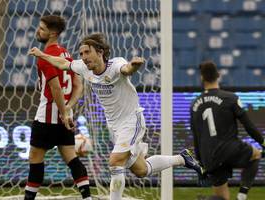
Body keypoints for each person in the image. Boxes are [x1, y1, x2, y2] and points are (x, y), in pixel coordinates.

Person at [28, 33, 204, 200]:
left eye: (87, 52)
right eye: (81, 53)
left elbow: (126, 69)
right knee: (141, 170)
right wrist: (42, 54)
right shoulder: (84, 67)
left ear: (100, 52)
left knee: (114, 161)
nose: (83, 56)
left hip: (131, 120)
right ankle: (182, 158)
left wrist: (134, 66)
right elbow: (62, 63)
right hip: (114, 126)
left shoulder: (115, 65)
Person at [24, 15, 92, 200]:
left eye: (42, 28)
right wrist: (68, 109)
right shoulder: (66, 54)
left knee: (35, 159)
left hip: (48, 117)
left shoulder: (46, 55)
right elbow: (79, 85)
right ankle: (87, 197)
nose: (38, 31)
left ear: (53, 33)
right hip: (65, 117)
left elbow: (55, 88)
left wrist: (62, 112)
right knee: (71, 157)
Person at [190, 61, 265, 200]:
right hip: (229, 149)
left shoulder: (194, 104)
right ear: (218, 75)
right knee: (256, 155)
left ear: (202, 78)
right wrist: (263, 142)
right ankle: (242, 195)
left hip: (209, 156)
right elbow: (248, 126)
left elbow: (196, 137)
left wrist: (201, 164)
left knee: (223, 198)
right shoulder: (230, 98)